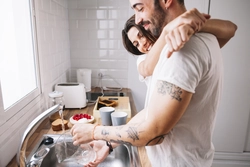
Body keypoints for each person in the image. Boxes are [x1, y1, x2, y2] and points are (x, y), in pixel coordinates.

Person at [71, 1, 237, 166]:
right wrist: (108, 143)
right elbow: (151, 112)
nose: (137, 19)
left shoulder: (179, 53)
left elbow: (153, 133)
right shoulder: (206, 38)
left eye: (140, 8)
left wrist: (94, 132)